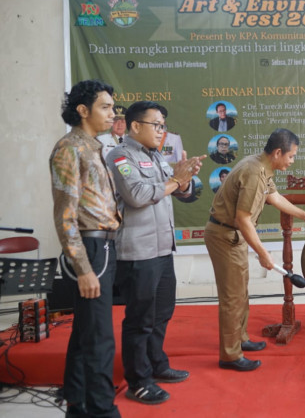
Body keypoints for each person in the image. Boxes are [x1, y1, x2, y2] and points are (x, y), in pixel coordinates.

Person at [106, 101, 206, 405]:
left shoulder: (156, 156)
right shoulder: (120, 156)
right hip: (138, 252)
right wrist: (174, 180)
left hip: (163, 249)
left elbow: (176, 191)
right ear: (135, 126)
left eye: (163, 125)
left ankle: (157, 364)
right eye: (157, 125)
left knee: (162, 312)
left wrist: (183, 180)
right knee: (140, 318)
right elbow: (137, 195)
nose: (162, 131)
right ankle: (139, 380)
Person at [204, 128, 305, 372]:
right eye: (291, 156)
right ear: (278, 152)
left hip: (233, 236)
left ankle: (241, 339)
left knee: (241, 292)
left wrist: (304, 215)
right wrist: (262, 252)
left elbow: (274, 197)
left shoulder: (260, 166)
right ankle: (230, 355)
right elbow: (243, 218)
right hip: (225, 235)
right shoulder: (253, 173)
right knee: (232, 298)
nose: (292, 162)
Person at [49, 79, 121, 418]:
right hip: (90, 249)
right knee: (100, 338)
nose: (112, 113)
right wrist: (84, 268)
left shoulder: (93, 146)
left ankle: (78, 403)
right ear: (83, 110)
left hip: (103, 247)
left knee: (85, 333)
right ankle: (101, 409)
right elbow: (65, 216)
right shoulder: (69, 148)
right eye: (105, 107)